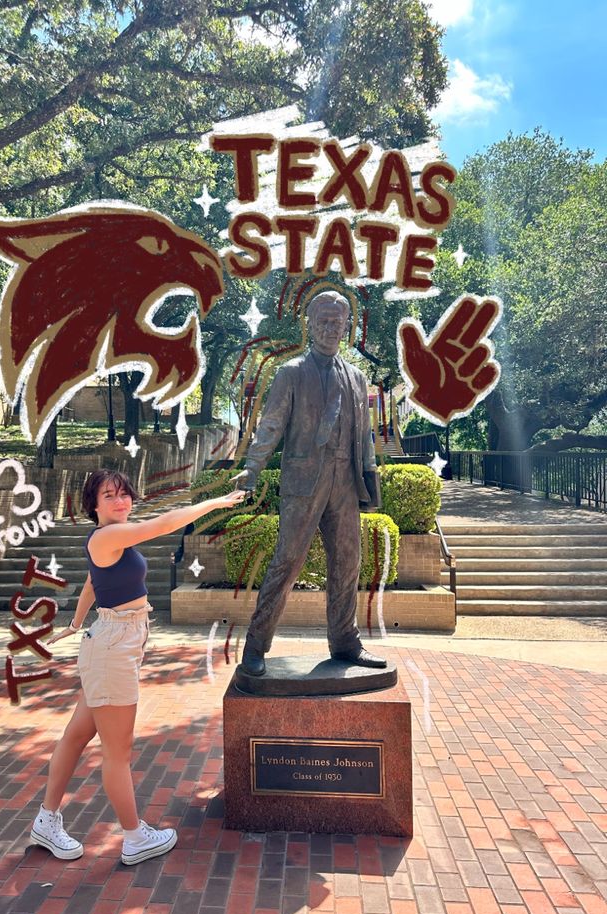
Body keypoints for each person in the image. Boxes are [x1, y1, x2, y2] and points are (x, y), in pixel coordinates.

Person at [29, 469, 245, 863]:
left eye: (125, 494)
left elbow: (94, 584)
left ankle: (46, 821)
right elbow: (162, 524)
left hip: (111, 643)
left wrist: (76, 624)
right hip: (113, 648)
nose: (121, 501)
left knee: (77, 736)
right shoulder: (108, 535)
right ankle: (134, 838)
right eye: (110, 496)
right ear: (93, 505)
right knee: (118, 752)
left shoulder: (110, 540)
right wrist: (213, 503)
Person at [234, 291, 388, 677]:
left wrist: (368, 480)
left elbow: (364, 435)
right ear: (310, 325)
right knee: (287, 562)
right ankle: (256, 645)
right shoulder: (291, 373)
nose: (330, 328)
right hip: (304, 481)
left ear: (346, 327)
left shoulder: (356, 377)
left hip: (345, 483)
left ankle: (345, 641)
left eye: (337, 322)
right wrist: (252, 468)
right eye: (323, 321)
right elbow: (270, 425)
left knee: (347, 564)